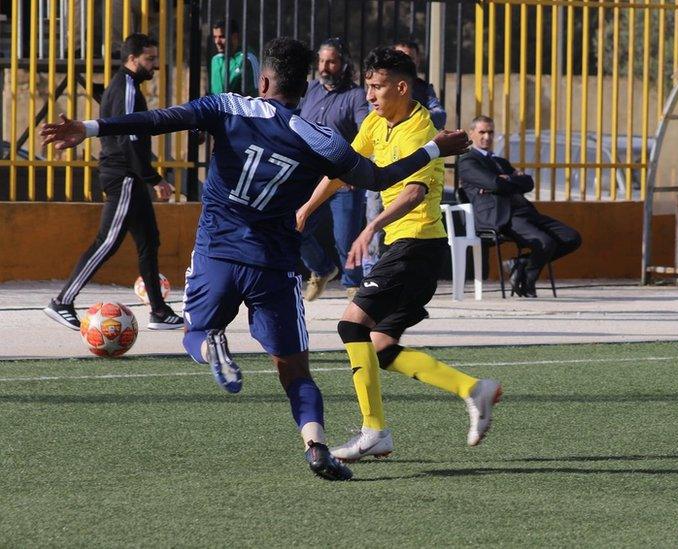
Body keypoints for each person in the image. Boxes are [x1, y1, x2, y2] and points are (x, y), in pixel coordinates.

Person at [40, 37, 471, 481]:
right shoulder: (318, 137)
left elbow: (158, 119)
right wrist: (436, 149)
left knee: (196, 332)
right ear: (304, 91)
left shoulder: (227, 106)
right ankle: (317, 447)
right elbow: (377, 176)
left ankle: (212, 347)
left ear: (263, 79)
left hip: (218, 254)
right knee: (295, 371)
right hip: (276, 267)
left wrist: (90, 128)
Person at [313, 47, 501, 462]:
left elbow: (414, 193)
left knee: (350, 326)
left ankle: (373, 431)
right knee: (378, 346)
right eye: (367, 87)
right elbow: (346, 168)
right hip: (410, 250)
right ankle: (472, 388)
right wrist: (305, 209)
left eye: (377, 87)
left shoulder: (422, 132)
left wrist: (370, 226)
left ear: (402, 87)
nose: (369, 97)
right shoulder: (376, 124)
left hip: (416, 245)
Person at [43, 34, 183, 332]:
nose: (154, 66)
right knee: (108, 241)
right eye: (149, 59)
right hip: (124, 176)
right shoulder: (127, 88)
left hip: (130, 174)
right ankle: (62, 301)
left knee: (148, 241)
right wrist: (153, 177)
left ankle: (158, 310)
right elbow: (129, 139)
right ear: (132, 59)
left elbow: (135, 138)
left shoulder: (126, 87)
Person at [458, 115, 582, 297]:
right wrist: (510, 180)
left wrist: (507, 179)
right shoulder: (468, 161)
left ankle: (520, 264)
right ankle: (527, 282)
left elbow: (528, 183)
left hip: (525, 211)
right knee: (544, 242)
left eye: (490, 132)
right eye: (482, 132)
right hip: (501, 216)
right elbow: (495, 184)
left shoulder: (499, 161)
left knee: (571, 237)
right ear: (472, 134)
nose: (487, 137)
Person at [295, 38, 371, 301]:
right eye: (321, 61)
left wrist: (353, 167)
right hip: (309, 176)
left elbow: (365, 132)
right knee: (297, 225)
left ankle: (353, 287)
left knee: (345, 238)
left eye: (331, 61)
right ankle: (322, 269)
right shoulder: (311, 90)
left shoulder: (356, 96)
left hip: (342, 178)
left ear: (343, 64)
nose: (325, 67)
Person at [392, 38, 447, 130]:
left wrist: (414, 115)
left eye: (410, 58)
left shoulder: (424, 88)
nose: (405, 62)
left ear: (417, 61)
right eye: (401, 58)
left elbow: (440, 116)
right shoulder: (382, 85)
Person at [210, 19, 260, 96]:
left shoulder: (248, 58)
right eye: (215, 37)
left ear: (235, 36)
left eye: (222, 37)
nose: (217, 41)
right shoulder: (215, 60)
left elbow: (256, 94)